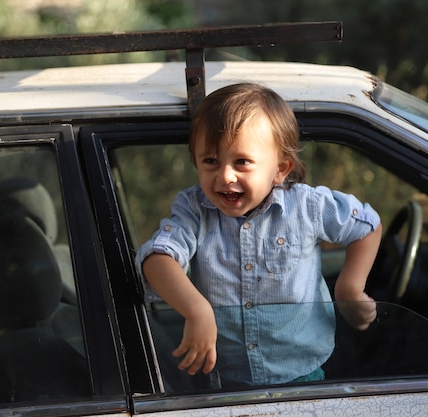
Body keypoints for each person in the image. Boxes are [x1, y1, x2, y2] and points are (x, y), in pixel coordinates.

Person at [136, 83, 382, 387]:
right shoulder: (193, 209)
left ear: (280, 169)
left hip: (303, 376)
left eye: (241, 162)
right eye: (211, 161)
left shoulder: (307, 206)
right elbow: (158, 259)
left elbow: (366, 225)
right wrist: (197, 310)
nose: (225, 176)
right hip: (226, 381)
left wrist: (349, 290)